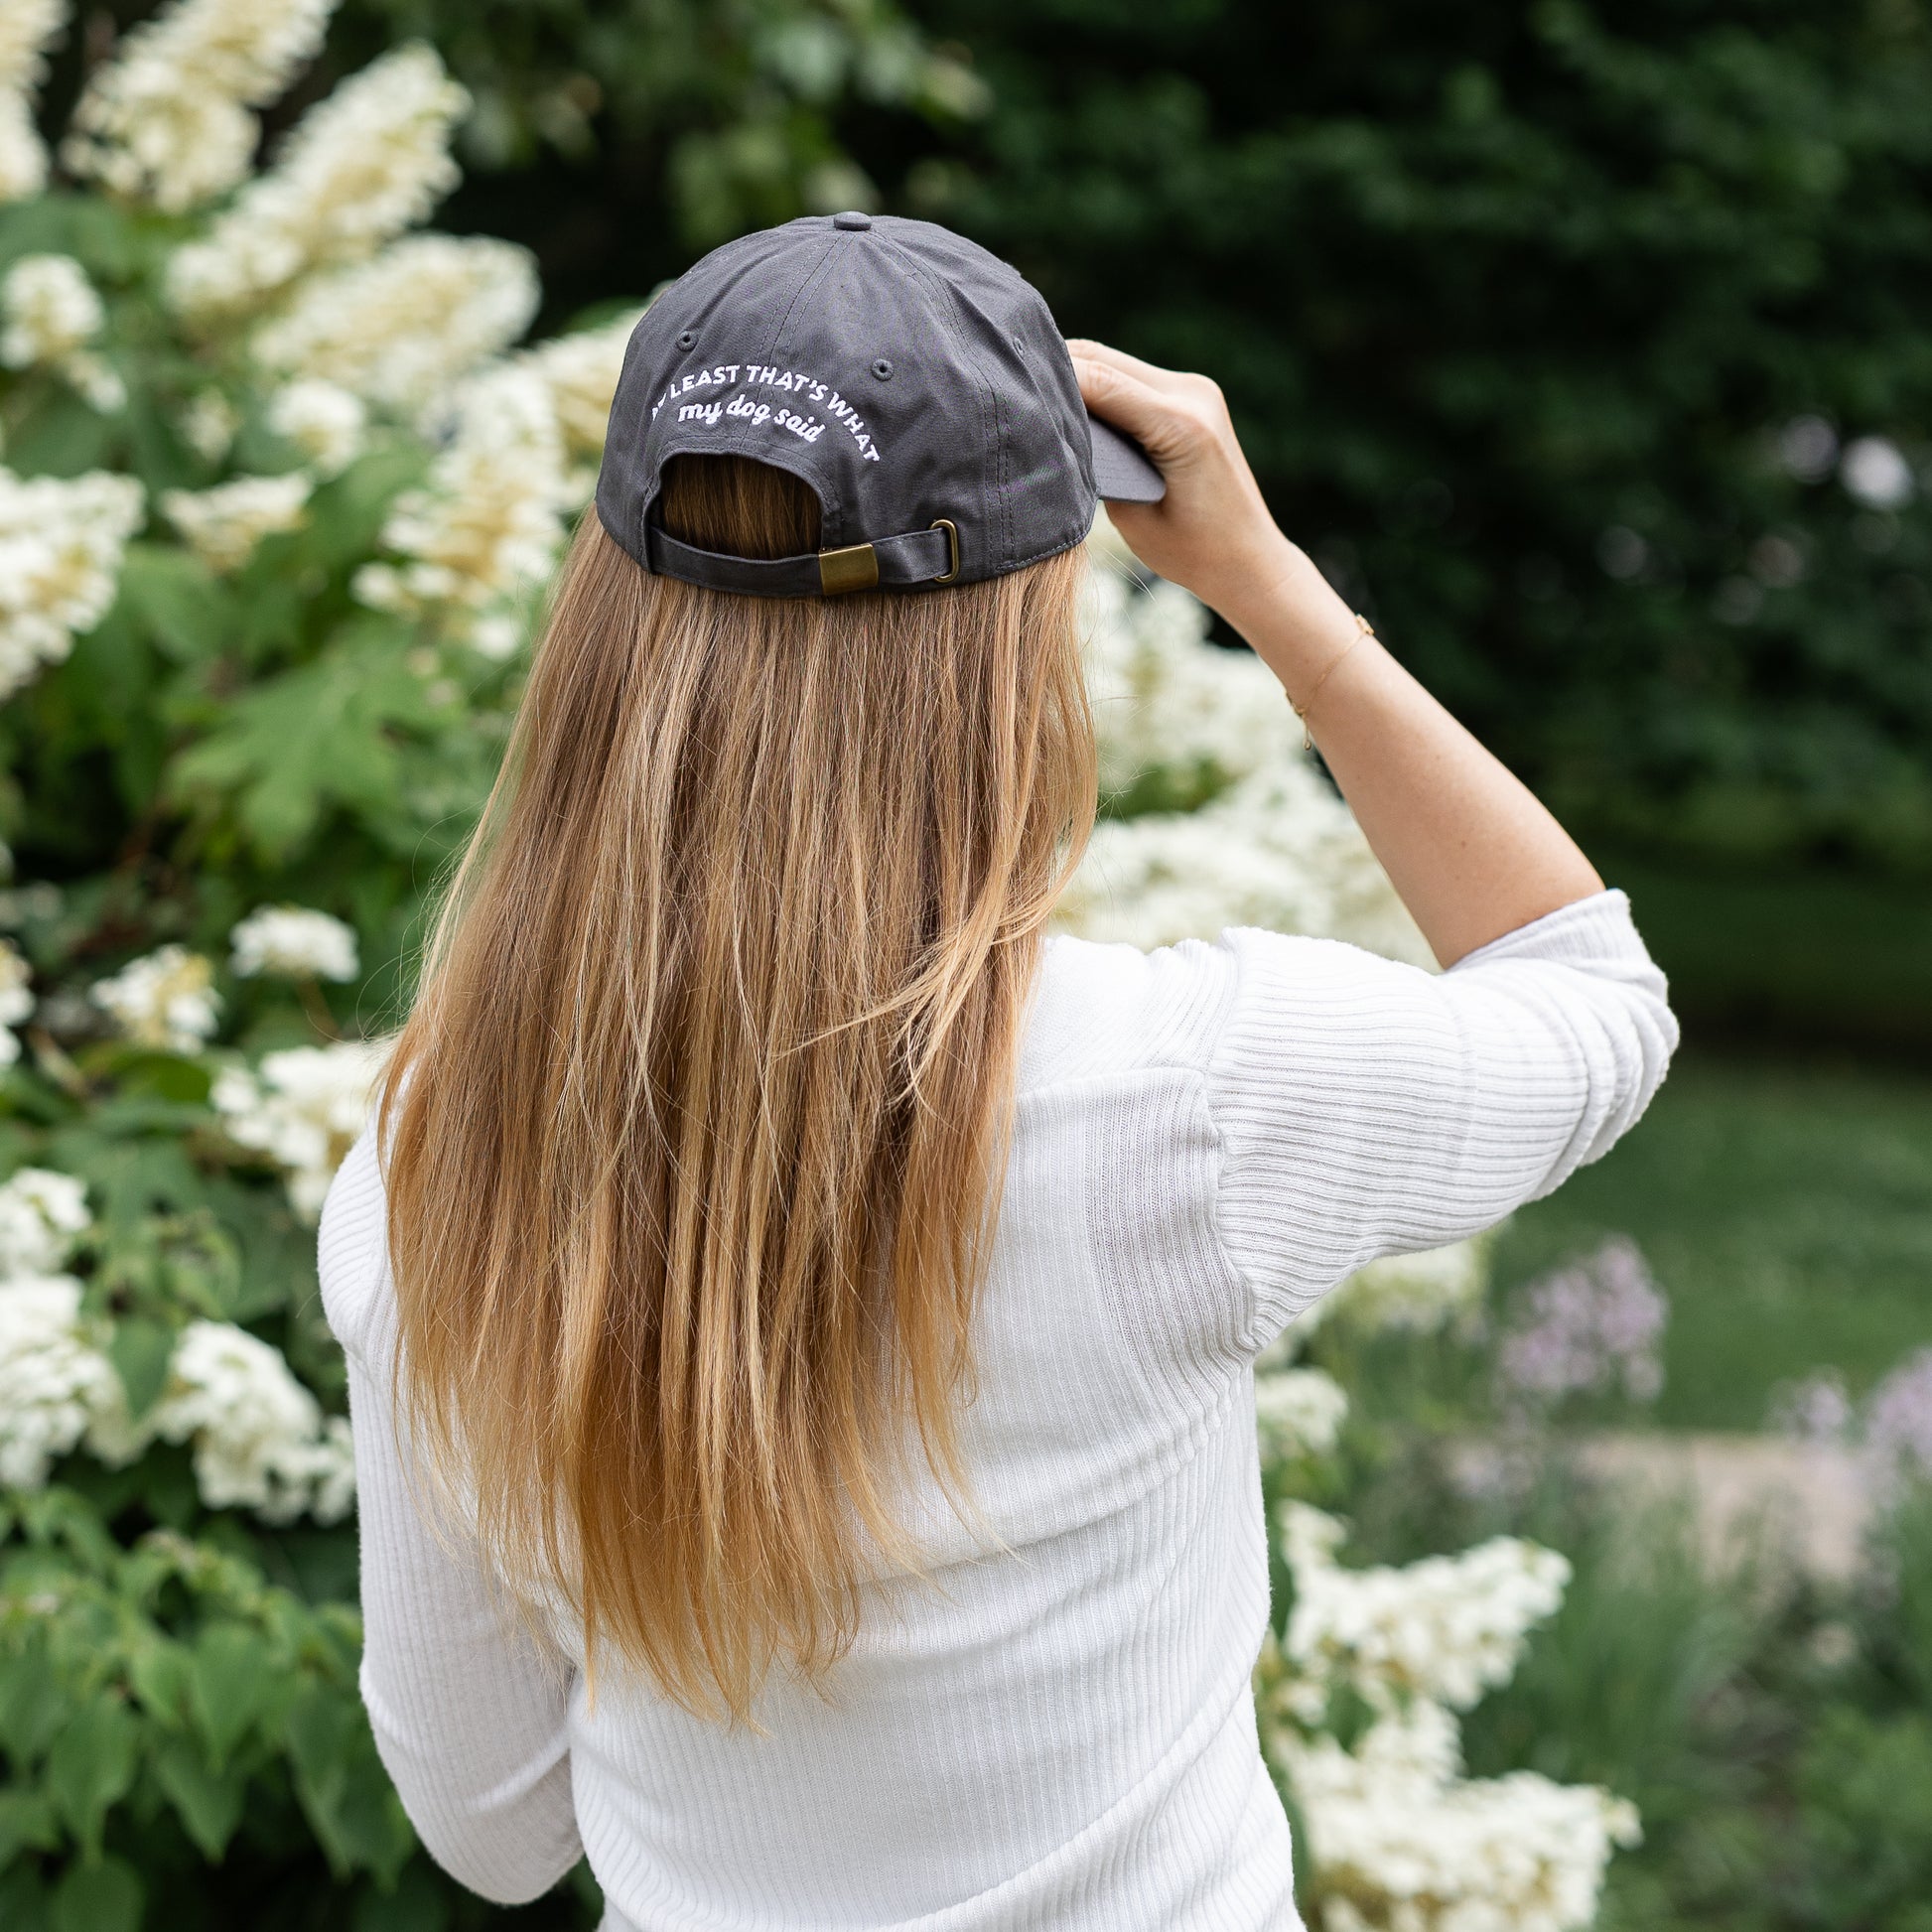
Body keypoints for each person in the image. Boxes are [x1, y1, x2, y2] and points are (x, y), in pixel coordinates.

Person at [320, 213, 1676, 1931]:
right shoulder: (1183, 1098)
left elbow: (491, 1823)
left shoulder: (434, 1165)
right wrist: (1272, 591)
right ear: (1020, 639)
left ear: (609, 616)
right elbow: (1589, 996)